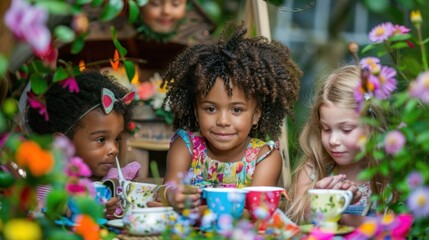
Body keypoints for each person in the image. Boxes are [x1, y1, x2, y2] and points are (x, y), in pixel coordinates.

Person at [152, 23, 302, 211]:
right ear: (196, 111)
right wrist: (171, 195)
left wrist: (204, 213)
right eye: (210, 109)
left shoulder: (265, 157)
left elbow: (259, 212)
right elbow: (166, 189)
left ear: (256, 115)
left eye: (237, 110)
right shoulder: (186, 146)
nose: (223, 121)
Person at [25, 70, 139, 219]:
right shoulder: (49, 186)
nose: (114, 149)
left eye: (117, 139)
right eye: (101, 139)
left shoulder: (115, 180)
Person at [286, 65, 391, 227]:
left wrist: (340, 215)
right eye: (326, 129)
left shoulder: (385, 174)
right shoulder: (314, 167)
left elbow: (395, 226)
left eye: (346, 130)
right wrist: (320, 199)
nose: (333, 140)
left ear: (372, 126)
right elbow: (298, 217)